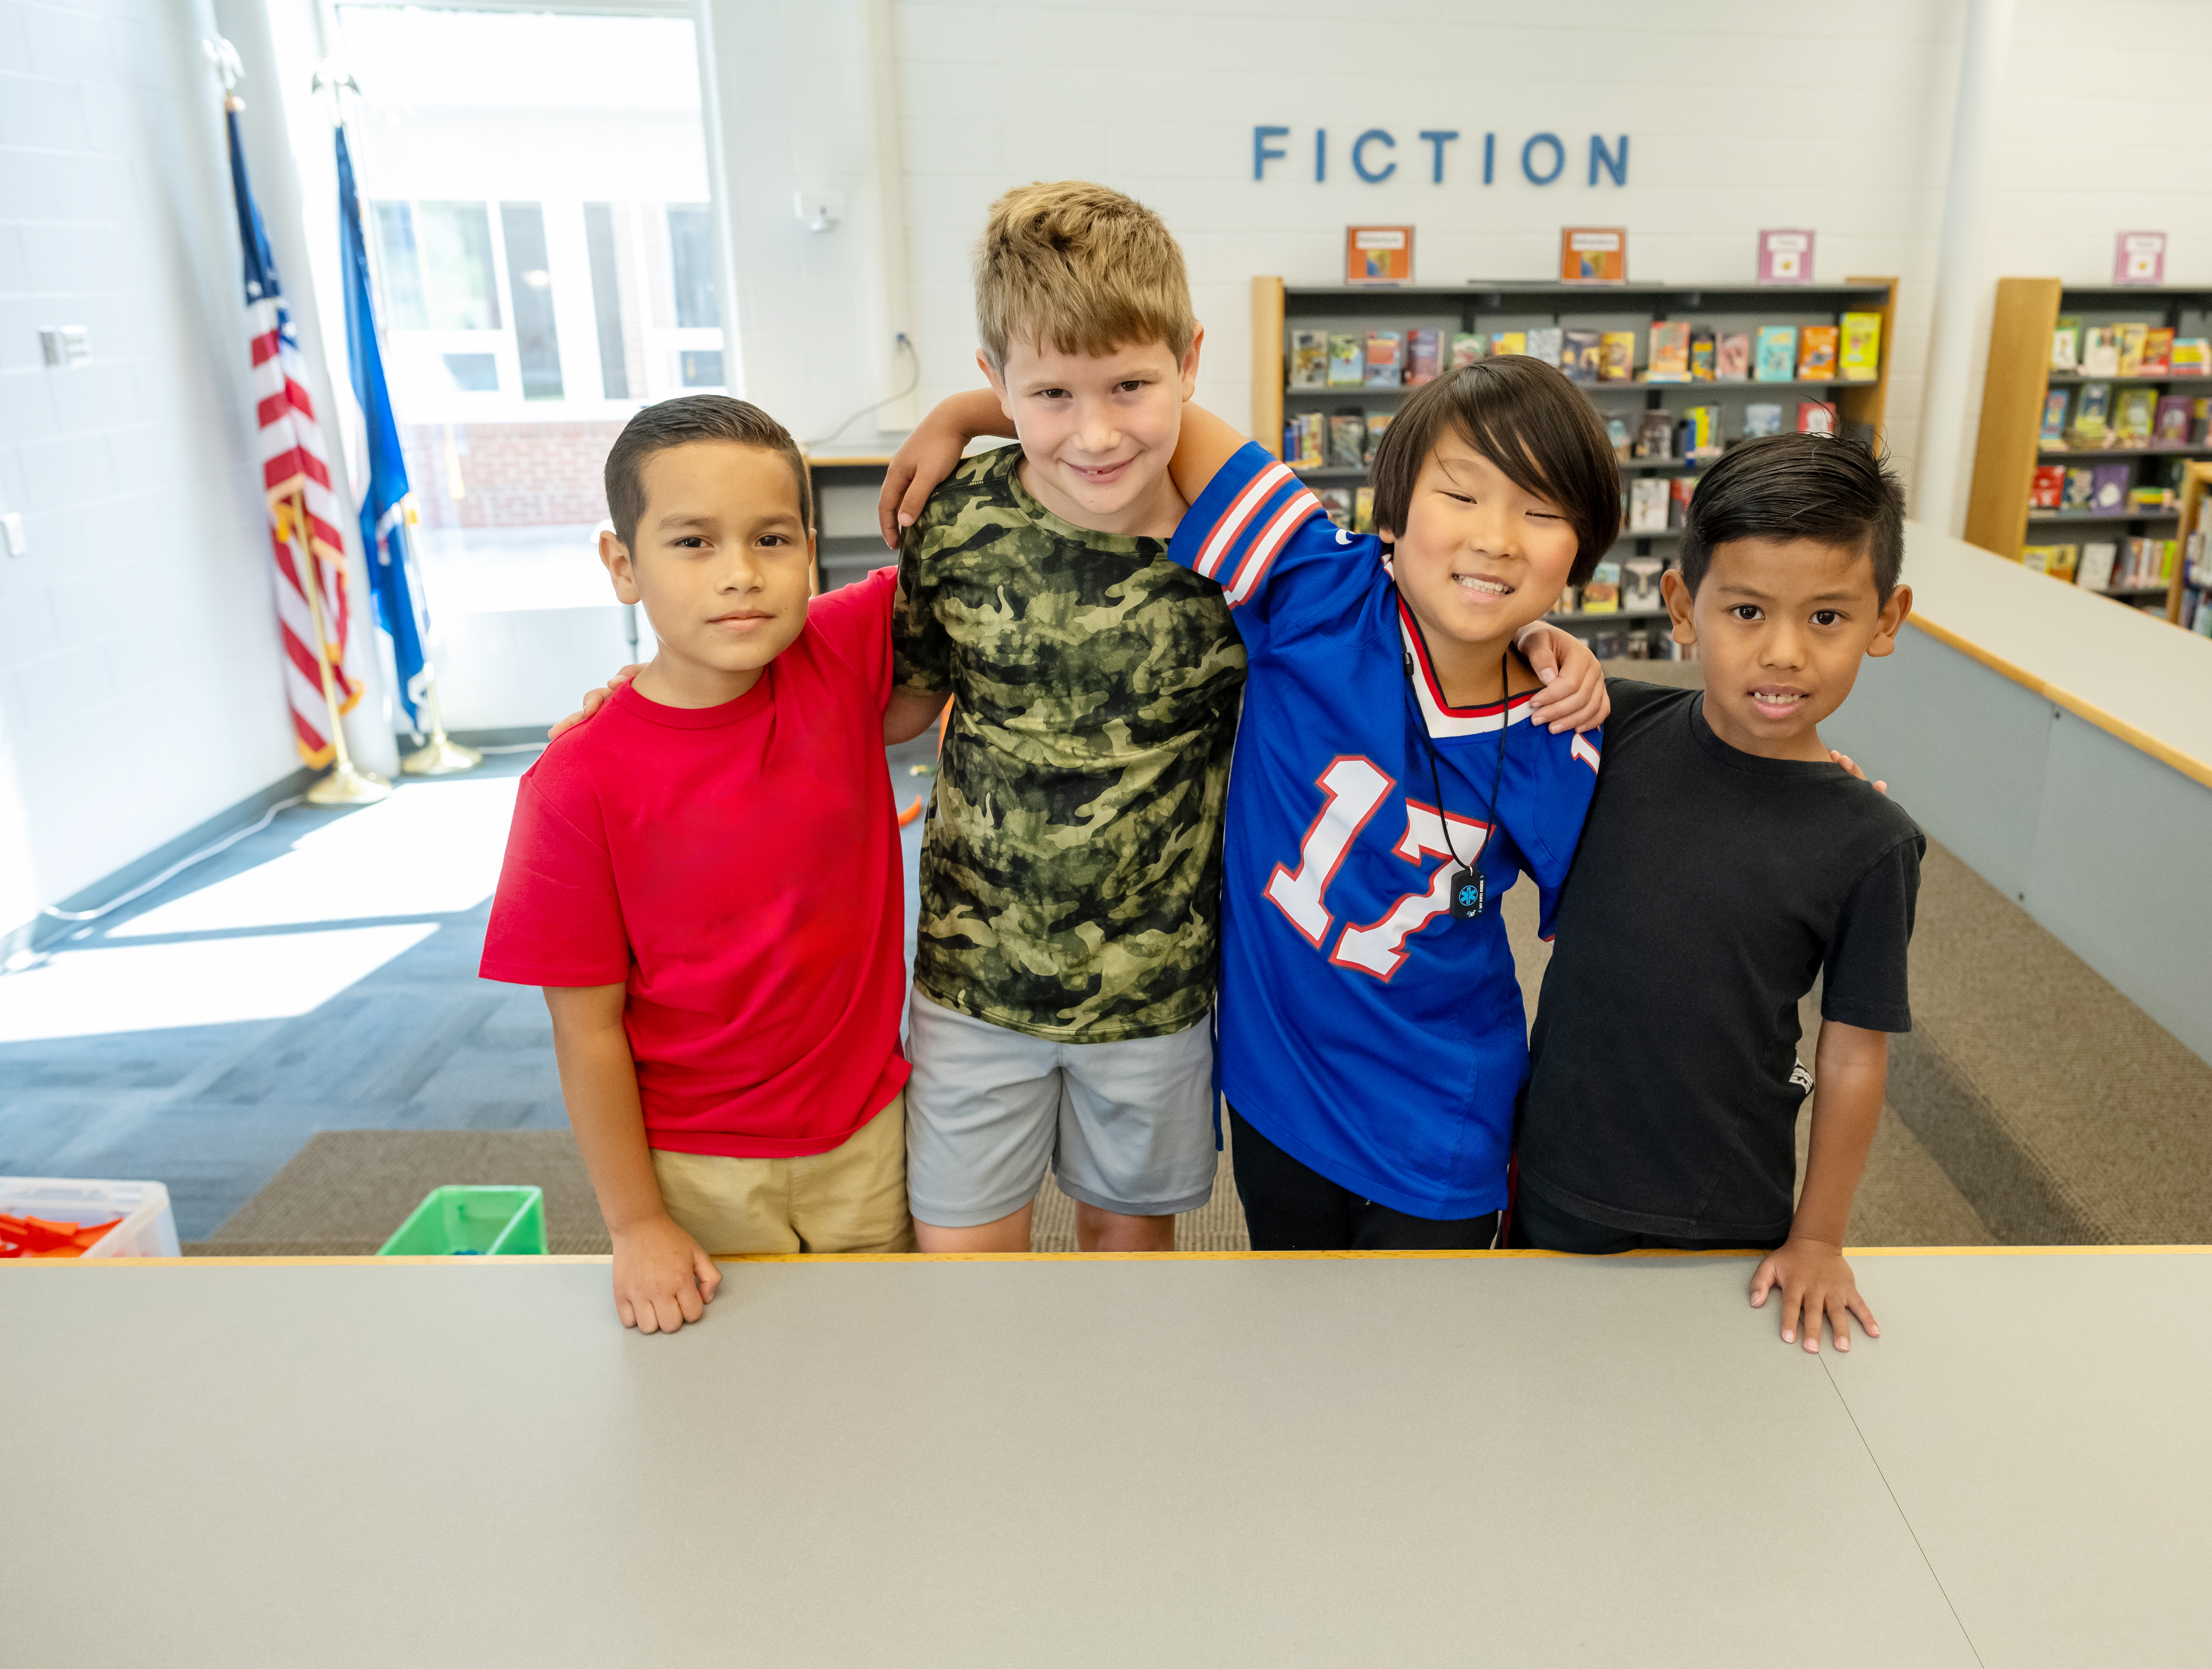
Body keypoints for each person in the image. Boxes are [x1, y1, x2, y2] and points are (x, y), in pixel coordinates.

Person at [870, 181, 1608, 1254]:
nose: (1496, 539)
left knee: (1332, 1354)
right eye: (1461, 499)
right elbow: (893, 691)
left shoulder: (1289, 587)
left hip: (1267, 1050)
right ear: (1390, 517)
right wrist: (959, 413)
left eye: (1540, 517)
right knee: (1002, 1296)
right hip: (1112, 1035)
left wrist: (1790, 773)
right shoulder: (1306, 595)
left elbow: (1630, 933)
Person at [481, 396, 927, 1333]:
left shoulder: (840, 652)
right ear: (622, 565)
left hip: (869, 1134)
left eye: (772, 539)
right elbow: (585, 1033)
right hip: (695, 1167)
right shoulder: (575, 783)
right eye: (692, 543)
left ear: (811, 546)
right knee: (724, 1408)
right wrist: (635, 1221)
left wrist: (963, 414)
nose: (740, 575)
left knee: (881, 1373)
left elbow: (1031, 502)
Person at [1513, 431, 1925, 1354]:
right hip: (1552, 1169)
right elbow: (1474, 669)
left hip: (1724, 1202)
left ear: (1887, 620)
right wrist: (1539, 638)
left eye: (1828, 619)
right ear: (1682, 607)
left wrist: (1819, 1237)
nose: (1783, 654)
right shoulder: (1610, 725)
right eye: (1745, 611)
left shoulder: (1872, 842)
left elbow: (1855, 1055)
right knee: (1536, 1406)